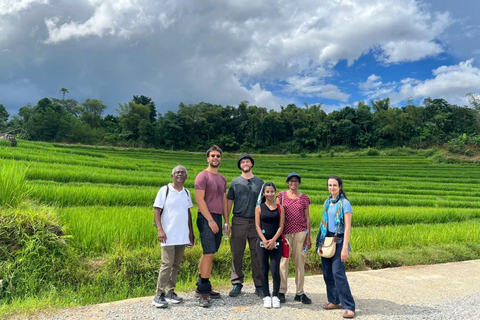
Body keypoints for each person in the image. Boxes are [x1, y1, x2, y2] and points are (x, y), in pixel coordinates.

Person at [152, 165, 195, 308]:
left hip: (182, 235)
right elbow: (157, 210)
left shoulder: (186, 193)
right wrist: (160, 230)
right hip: (168, 235)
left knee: (176, 265)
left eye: (183, 172)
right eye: (177, 172)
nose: (180, 174)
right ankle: (159, 295)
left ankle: (170, 292)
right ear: (172, 176)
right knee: (167, 264)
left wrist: (191, 232)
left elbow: (188, 213)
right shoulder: (164, 190)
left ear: (186, 177)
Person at [316, 175, 355, 319]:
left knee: (338, 273)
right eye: (329, 185)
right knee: (327, 273)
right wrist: (320, 242)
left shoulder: (345, 203)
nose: (332, 187)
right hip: (327, 240)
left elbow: (348, 226)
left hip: (339, 240)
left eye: (334, 185)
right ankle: (334, 300)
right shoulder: (327, 202)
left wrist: (345, 248)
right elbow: (324, 224)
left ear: (340, 187)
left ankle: (349, 306)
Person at [194, 145, 229, 307]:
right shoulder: (202, 176)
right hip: (205, 217)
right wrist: (210, 220)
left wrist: (226, 221)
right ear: (207, 158)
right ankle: (204, 292)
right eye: (213, 156)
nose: (215, 158)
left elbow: (223, 201)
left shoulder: (222, 179)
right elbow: (199, 200)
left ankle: (200, 284)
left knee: (211, 253)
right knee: (208, 253)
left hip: (217, 217)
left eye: (218, 156)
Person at [227, 153, 264, 297]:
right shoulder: (235, 182)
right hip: (239, 221)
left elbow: (264, 203)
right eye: (242, 162)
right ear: (240, 166)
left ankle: (259, 285)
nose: (245, 163)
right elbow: (229, 202)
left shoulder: (260, 183)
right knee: (237, 252)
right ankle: (237, 283)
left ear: (252, 164)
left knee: (257, 254)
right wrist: (226, 221)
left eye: (247, 161)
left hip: (256, 222)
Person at [276, 172, 312, 304]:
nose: (293, 183)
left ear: (299, 183)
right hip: (284, 234)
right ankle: (281, 291)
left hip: (300, 234)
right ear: (287, 183)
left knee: (299, 263)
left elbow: (307, 217)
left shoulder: (304, 198)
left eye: (296, 181)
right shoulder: (281, 196)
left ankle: (300, 293)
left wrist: (308, 237)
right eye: (291, 181)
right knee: (283, 263)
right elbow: (277, 213)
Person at [255, 182, 284, 308]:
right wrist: (265, 240)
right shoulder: (259, 208)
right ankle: (266, 295)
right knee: (263, 268)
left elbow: (281, 226)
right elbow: (257, 225)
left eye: (272, 191)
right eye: (267, 192)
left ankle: (276, 295)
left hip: (276, 241)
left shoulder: (280, 208)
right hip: (262, 242)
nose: (270, 194)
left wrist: (273, 240)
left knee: (275, 269)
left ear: (275, 192)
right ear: (263, 193)